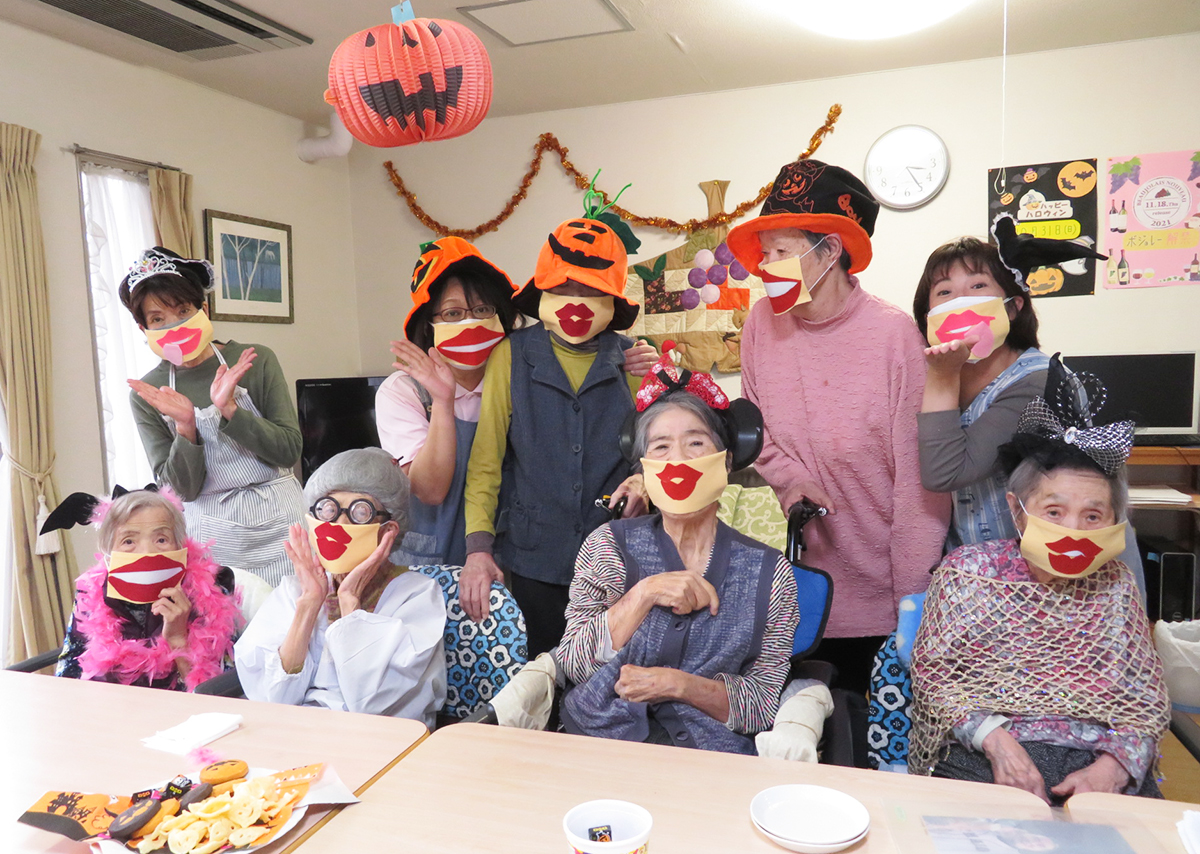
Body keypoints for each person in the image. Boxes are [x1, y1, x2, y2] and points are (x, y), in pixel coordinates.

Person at [726, 159, 949, 694]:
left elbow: (919, 484)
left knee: (874, 748)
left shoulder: (895, 336)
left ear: (829, 252)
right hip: (799, 588)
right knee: (802, 737)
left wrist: (911, 603)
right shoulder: (762, 322)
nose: (766, 265)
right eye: (765, 253)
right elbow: (753, 422)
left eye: (781, 251)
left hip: (882, 596)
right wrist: (789, 479)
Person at [909, 361, 1170, 802]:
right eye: (1053, 511)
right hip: (986, 753)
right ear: (1017, 511)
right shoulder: (967, 573)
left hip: (1099, 761)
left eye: (1093, 515)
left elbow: (1144, 700)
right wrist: (998, 743)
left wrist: (1113, 768)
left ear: (1115, 522)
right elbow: (936, 678)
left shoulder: (1117, 584)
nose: (1073, 529)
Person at [558, 352, 799, 753]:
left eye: (695, 443)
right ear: (644, 469)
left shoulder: (770, 574)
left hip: (710, 759)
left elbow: (763, 704)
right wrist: (644, 593)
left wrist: (678, 685)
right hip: (599, 744)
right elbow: (572, 664)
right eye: (661, 447)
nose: (678, 462)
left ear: (725, 461)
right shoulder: (608, 545)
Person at [461, 187, 655, 655]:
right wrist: (477, 550)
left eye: (590, 291)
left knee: (610, 685)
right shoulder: (510, 356)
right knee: (538, 684)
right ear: (543, 292)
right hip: (533, 559)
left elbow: (658, 452)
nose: (576, 302)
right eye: (564, 288)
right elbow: (486, 461)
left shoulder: (633, 361)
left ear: (612, 303)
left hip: (615, 558)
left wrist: (643, 481)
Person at [914, 215, 1105, 549]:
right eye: (944, 291)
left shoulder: (1038, 381)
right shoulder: (932, 378)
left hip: (1044, 570)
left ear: (1014, 307)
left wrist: (942, 375)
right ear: (926, 315)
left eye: (977, 286)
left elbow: (944, 473)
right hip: (972, 568)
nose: (961, 301)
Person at [122, 247, 305, 587]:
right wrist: (185, 427)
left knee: (299, 627)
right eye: (158, 319)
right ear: (143, 328)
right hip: (214, 535)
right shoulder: (148, 393)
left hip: (284, 524)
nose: (173, 325)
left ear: (203, 309)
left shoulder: (254, 360)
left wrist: (231, 409)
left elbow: (289, 451)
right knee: (227, 632)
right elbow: (181, 491)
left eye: (182, 310)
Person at [235, 448, 447, 726]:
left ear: (388, 530)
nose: (340, 523)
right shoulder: (295, 591)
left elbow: (374, 707)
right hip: (299, 737)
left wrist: (349, 600)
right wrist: (310, 604)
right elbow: (273, 700)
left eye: (361, 512)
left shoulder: (417, 596)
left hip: (380, 745)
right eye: (328, 509)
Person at [376, 237, 522, 568]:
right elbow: (429, 490)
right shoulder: (402, 391)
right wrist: (443, 402)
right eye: (453, 313)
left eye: (483, 309)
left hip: (501, 557)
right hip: (426, 560)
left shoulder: (520, 381)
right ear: (428, 325)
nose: (470, 321)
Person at [43, 486, 240, 692]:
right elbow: (67, 677)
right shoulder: (91, 593)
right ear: (109, 552)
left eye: (161, 539)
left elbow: (219, 697)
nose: (147, 553)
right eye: (128, 541)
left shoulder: (212, 588)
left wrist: (178, 640)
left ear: (180, 545)